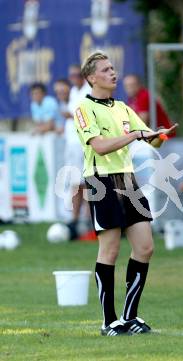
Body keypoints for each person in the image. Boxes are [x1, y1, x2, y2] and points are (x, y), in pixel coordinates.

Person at [74, 51, 177, 336]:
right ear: (92, 77)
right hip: (101, 181)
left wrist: (162, 134)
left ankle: (130, 316)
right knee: (110, 249)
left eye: (113, 68)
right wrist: (135, 136)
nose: (113, 73)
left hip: (128, 180)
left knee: (145, 247)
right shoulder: (84, 108)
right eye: (106, 70)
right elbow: (100, 146)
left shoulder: (122, 107)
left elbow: (151, 139)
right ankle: (109, 322)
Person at [64, 65, 92, 239]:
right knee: (76, 183)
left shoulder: (88, 91)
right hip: (73, 144)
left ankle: (88, 220)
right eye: (71, 75)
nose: (73, 77)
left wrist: (70, 115)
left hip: (83, 144)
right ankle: (75, 220)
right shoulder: (74, 91)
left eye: (76, 74)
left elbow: (85, 116)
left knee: (88, 182)